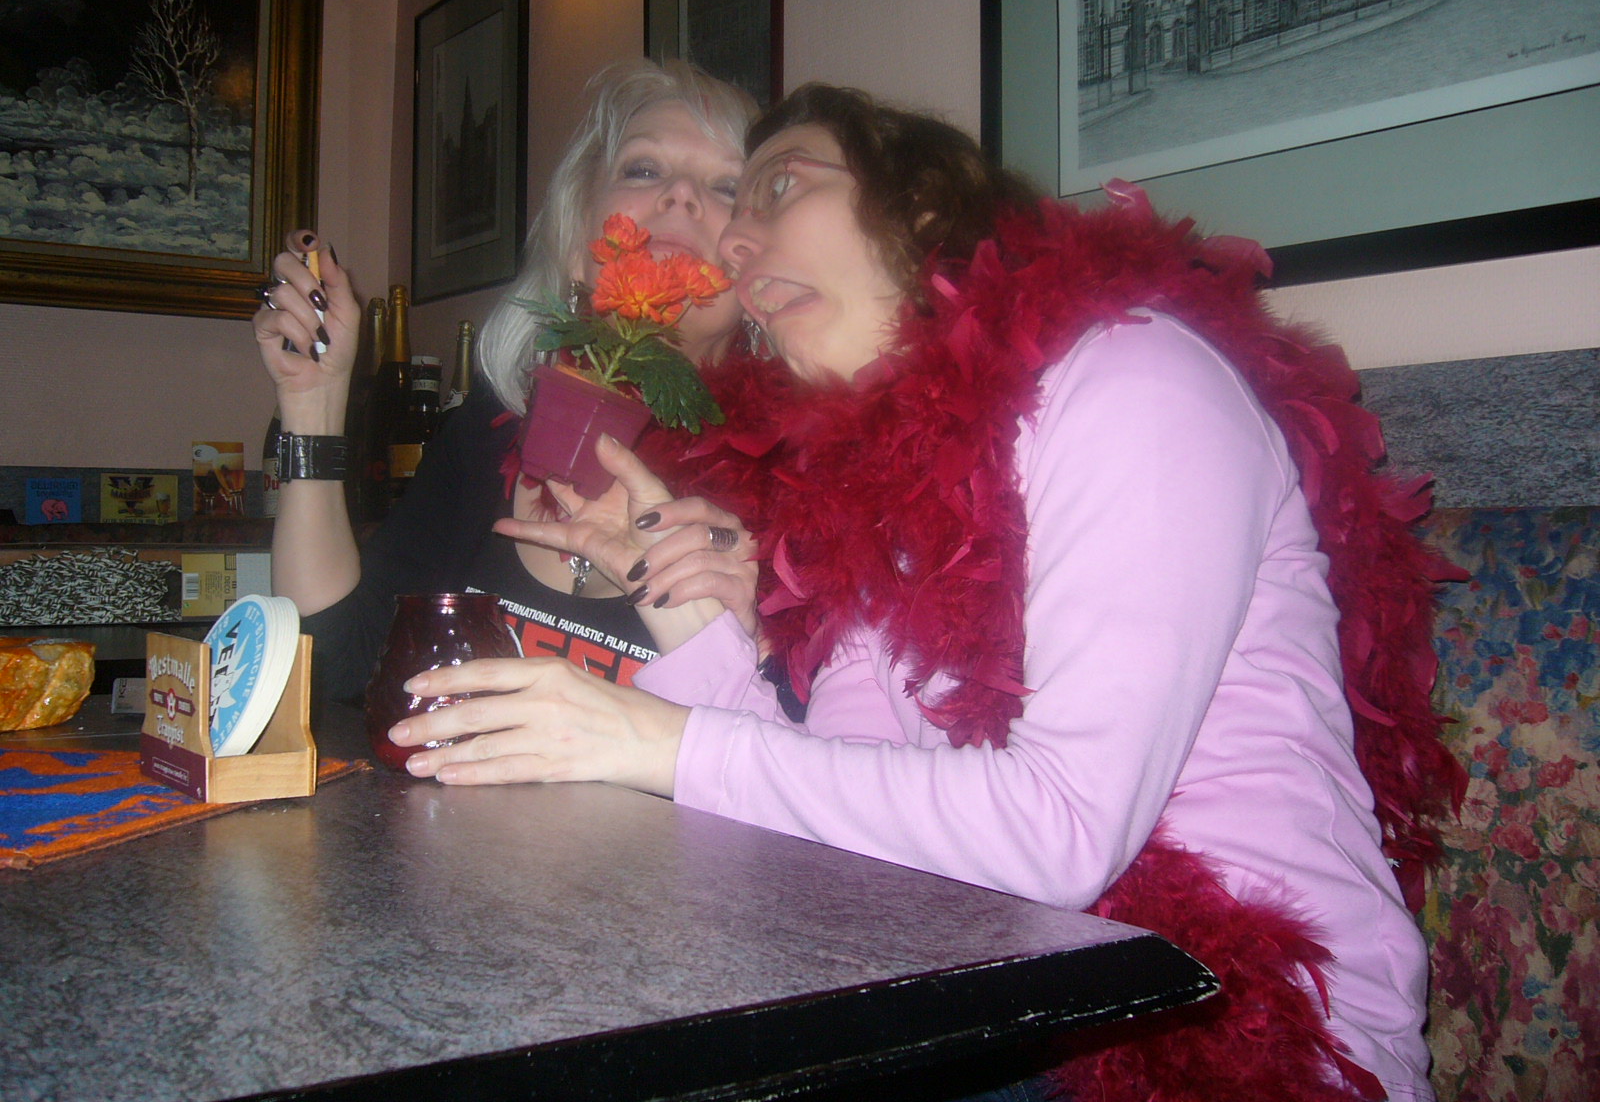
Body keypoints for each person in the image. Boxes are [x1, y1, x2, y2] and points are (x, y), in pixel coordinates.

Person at [388, 85, 1460, 1101]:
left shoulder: (1136, 380)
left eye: (778, 187)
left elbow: (1061, 833)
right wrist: (657, 579)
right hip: (996, 996)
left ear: (925, 208)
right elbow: (833, 824)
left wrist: (646, 740)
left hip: (1238, 1027)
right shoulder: (875, 489)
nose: (738, 242)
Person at [250, 59, 758, 706]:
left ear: (759, 274)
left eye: (727, 187)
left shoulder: (806, 478)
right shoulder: (494, 427)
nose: (681, 194)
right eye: (643, 169)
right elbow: (335, 668)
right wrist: (314, 402)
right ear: (577, 243)